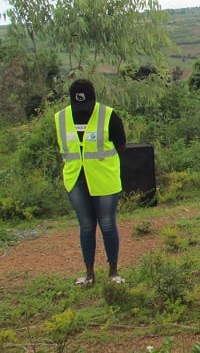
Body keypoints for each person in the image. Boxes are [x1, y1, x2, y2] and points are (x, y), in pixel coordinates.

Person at [54, 79, 127, 286]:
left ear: (94, 99)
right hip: (76, 179)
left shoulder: (109, 116)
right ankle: (89, 274)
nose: (83, 112)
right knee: (86, 226)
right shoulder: (60, 118)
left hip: (104, 180)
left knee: (107, 223)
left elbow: (121, 145)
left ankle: (113, 273)